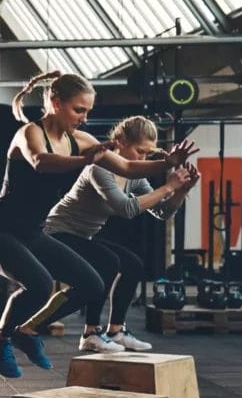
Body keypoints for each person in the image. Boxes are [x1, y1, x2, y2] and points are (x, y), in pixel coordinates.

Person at [0, 70, 197, 378]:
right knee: (39, 285)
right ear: (56, 103)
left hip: (33, 233)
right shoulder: (29, 133)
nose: (84, 118)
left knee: (91, 284)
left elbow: (128, 166)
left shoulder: (80, 140)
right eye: (78, 110)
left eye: (88, 111)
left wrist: (167, 164)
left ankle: (27, 333)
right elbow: (40, 162)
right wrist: (85, 160)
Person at [45, 115, 199, 353]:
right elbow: (126, 209)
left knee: (133, 265)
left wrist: (180, 192)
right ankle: (90, 333)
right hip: (56, 234)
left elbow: (161, 212)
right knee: (107, 262)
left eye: (148, 153)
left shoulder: (134, 177)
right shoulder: (99, 168)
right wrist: (168, 186)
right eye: (140, 151)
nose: (143, 159)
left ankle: (116, 331)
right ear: (121, 142)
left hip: (82, 237)